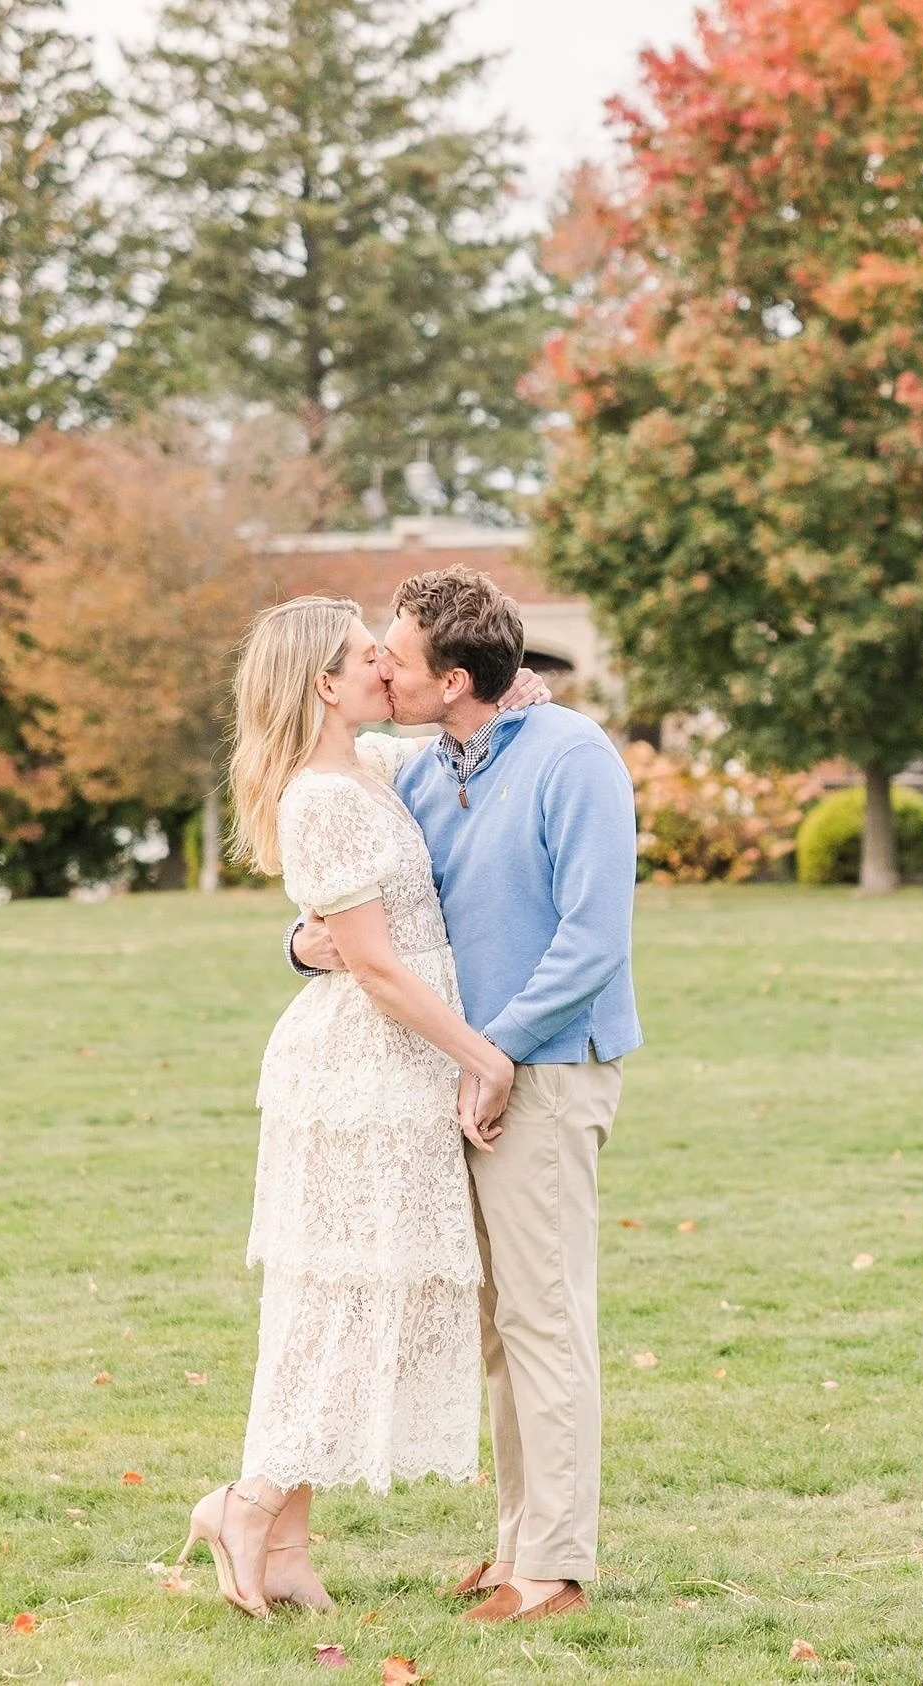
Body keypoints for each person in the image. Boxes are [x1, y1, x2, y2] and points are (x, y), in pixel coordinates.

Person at [177, 594, 547, 1619]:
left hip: (399, 1071)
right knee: (343, 1308)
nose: (390, 666)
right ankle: (247, 1504)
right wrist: (487, 1058)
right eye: (367, 656)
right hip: (362, 1074)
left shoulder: (371, 769)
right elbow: (378, 968)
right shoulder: (323, 799)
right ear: (323, 685)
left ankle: (281, 1539)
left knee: (364, 1306)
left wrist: (511, 690)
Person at [290, 566, 641, 1623]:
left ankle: (556, 1570)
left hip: (547, 1067)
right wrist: (305, 948)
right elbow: (353, 883)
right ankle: (513, 1548)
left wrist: (498, 1053)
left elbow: (591, 941)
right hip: (460, 1076)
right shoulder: (423, 762)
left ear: (451, 678)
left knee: (543, 1316)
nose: (378, 669)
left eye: (394, 657)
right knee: (497, 1324)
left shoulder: (573, 758)